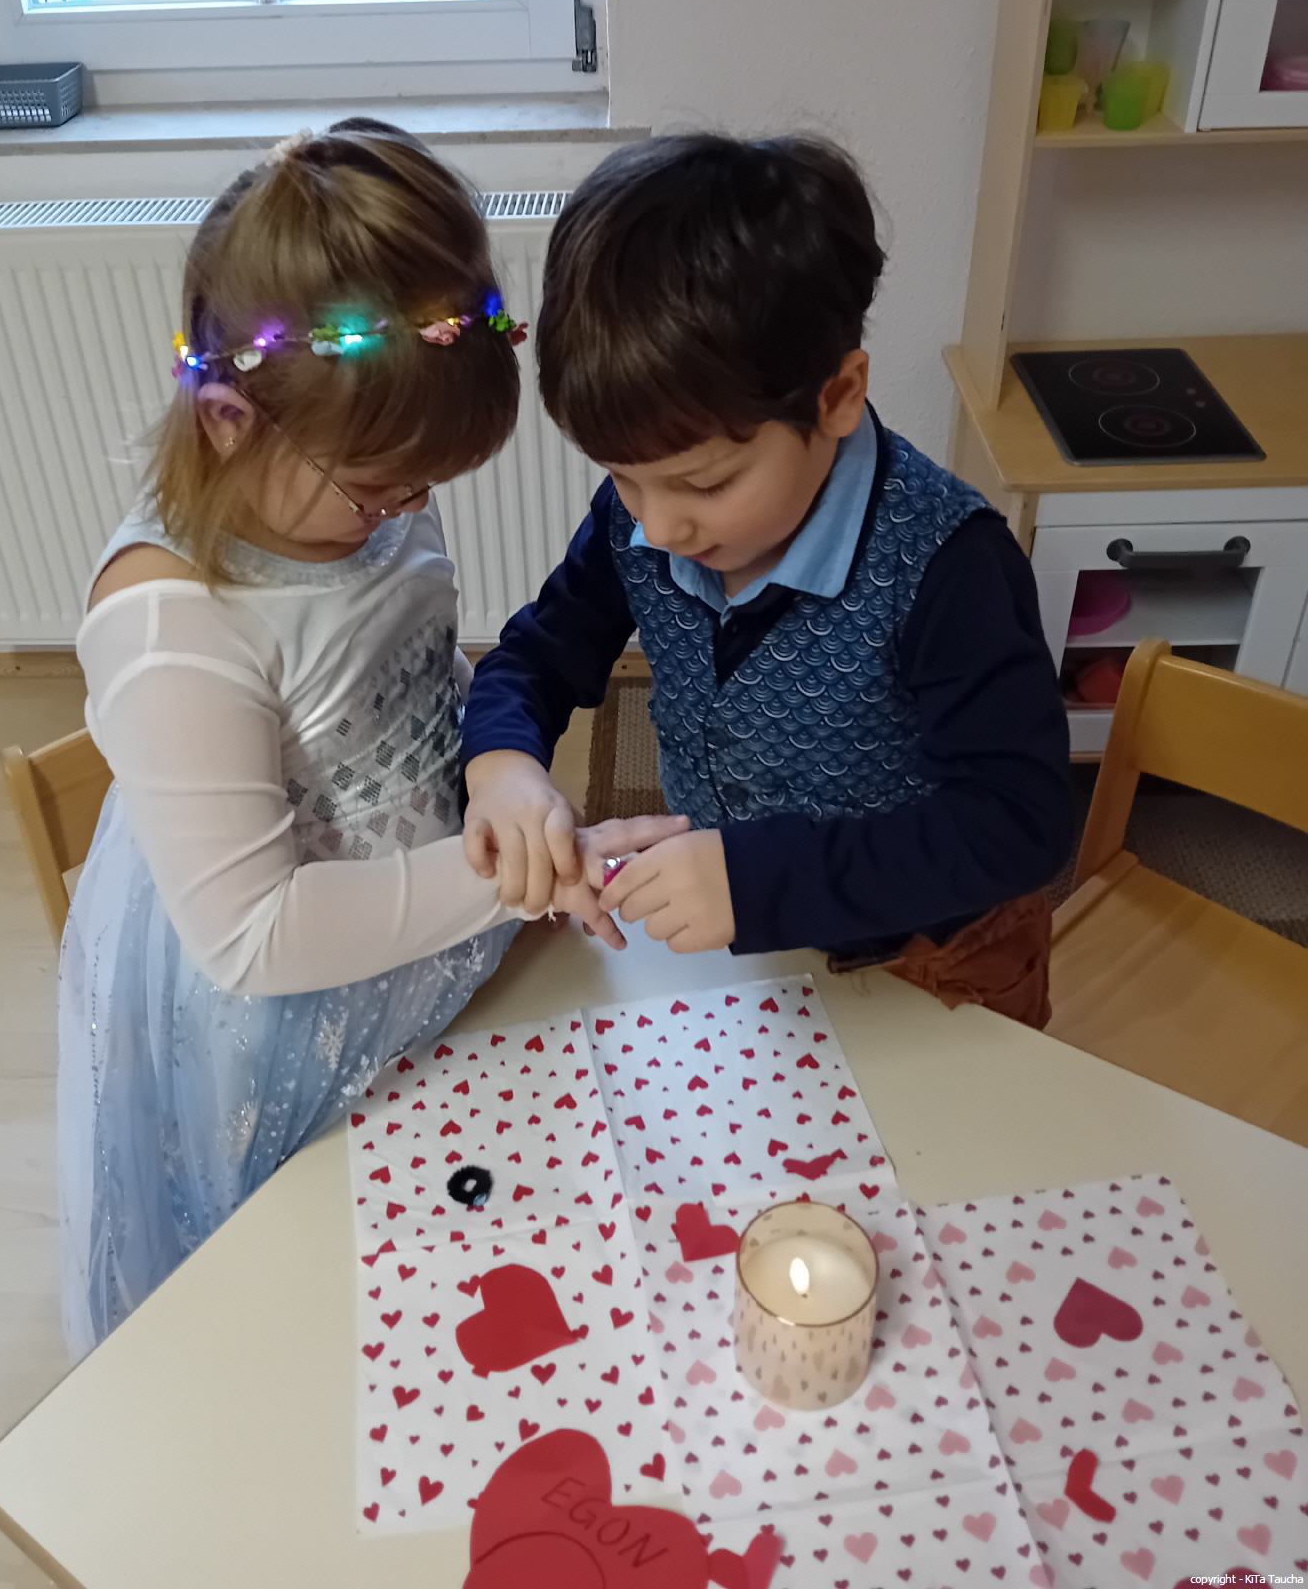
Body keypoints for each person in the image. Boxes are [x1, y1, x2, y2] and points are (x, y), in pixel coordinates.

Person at [60, 119, 681, 1356]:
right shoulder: (175, 629)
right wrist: (508, 876)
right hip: (285, 1014)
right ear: (228, 420)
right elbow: (254, 936)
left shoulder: (360, 499)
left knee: (459, 1250)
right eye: (377, 489)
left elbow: (408, 667)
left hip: (427, 922)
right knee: (301, 1314)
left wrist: (502, 777)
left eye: (423, 487)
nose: (404, 512)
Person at [460, 132, 1074, 1027]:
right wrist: (503, 763)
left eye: (706, 485)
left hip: (936, 954)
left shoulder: (949, 565)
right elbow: (536, 655)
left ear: (838, 397)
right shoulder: (641, 521)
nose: (658, 527)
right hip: (752, 931)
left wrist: (758, 882)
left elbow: (1019, 822)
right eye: (624, 477)